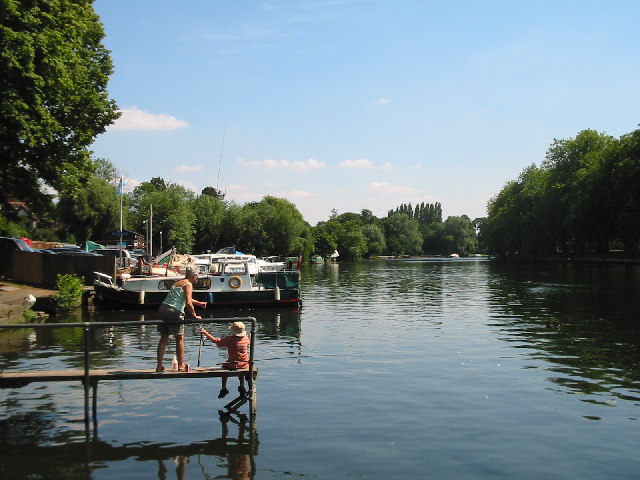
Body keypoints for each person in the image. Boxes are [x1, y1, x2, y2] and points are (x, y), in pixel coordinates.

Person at [156, 267, 207, 372]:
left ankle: (159, 366)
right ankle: (181, 365)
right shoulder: (188, 284)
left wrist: (198, 303)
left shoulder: (178, 283)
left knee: (164, 339)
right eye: (196, 276)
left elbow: (183, 298)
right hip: (175, 311)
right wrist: (194, 316)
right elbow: (188, 302)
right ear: (193, 276)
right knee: (179, 339)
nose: (197, 278)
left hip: (163, 309)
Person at [199, 321, 250, 398]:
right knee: (241, 366)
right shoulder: (246, 339)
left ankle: (224, 387)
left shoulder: (229, 339)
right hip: (245, 364)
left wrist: (205, 332)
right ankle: (241, 385)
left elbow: (215, 340)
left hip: (232, 365)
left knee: (225, 366)